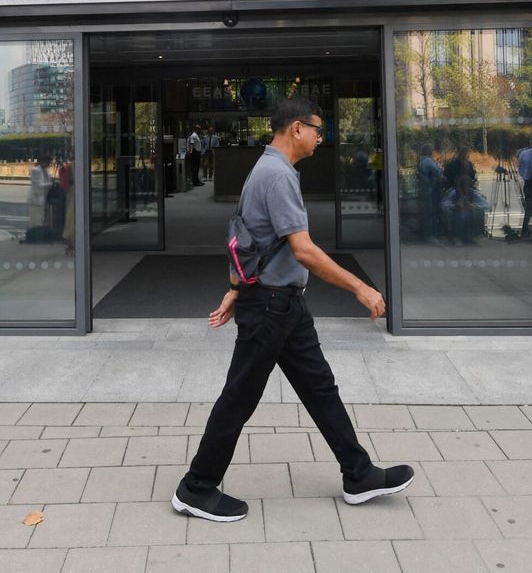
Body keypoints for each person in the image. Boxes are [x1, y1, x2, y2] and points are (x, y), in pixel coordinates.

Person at [173, 97, 414, 523]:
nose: (322, 138)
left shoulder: (268, 169)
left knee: (320, 388)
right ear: (297, 128)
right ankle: (196, 488)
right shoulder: (277, 175)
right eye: (319, 130)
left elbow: (245, 238)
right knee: (239, 397)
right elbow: (303, 250)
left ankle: (358, 474)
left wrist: (234, 289)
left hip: (282, 304)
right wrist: (360, 287)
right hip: (271, 306)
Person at [517, 134, 532, 239]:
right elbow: (520, 168)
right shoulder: (525, 154)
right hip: (530, 183)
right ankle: (526, 230)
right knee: (530, 207)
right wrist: (526, 176)